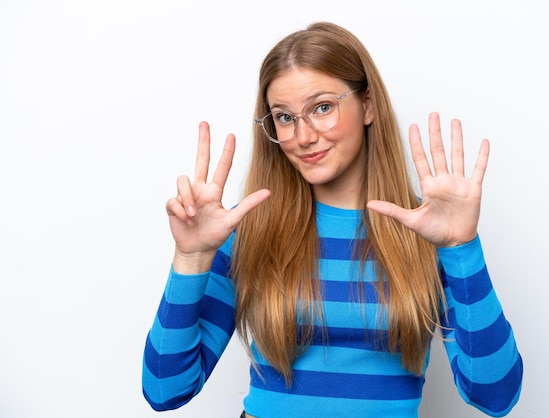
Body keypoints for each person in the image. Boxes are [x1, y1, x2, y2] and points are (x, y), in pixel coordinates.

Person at [142, 21, 523, 418]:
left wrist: (461, 248)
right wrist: (190, 259)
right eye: (284, 117)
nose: (303, 136)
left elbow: (495, 395)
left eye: (322, 107)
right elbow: (165, 389)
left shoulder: (425, 230)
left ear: (368, 105)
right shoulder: (247, 231)